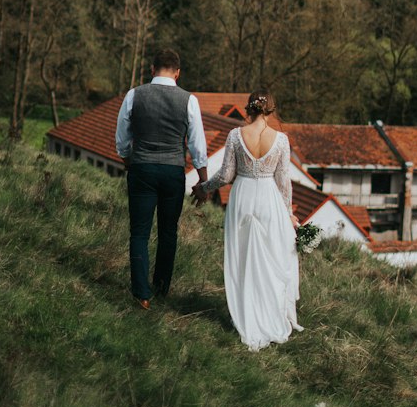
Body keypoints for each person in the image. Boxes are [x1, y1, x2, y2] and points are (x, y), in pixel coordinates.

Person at [192, 91, 302, 351]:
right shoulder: (281, 140)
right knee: (270, 256)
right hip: (269, 199)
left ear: (248, 109)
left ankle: (244, 312)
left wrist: (204, 187)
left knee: (242, 258)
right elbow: (283, 182)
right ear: (271, 111)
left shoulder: (235, 135)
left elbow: (226, 174)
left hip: (242, 197)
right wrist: (288, 213)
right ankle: (268, 313)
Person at [115, 49, 208, 309]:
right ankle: (162, 287)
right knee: (168, 232)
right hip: (172, 172)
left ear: (152, 69)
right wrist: (203, 181)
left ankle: (142, 293)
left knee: (139, 232)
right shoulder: (189, 100)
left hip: (142, 167)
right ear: (178, 73)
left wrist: (128, 163)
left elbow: (122, 138)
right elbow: (197, 145)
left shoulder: (135, 94)